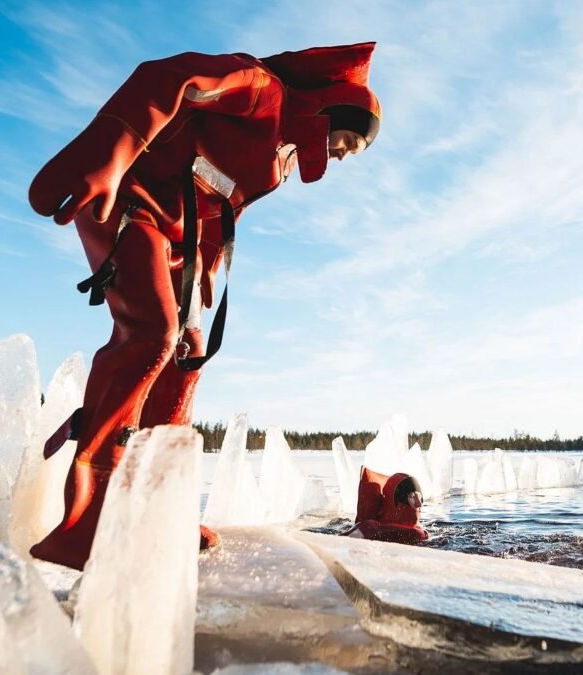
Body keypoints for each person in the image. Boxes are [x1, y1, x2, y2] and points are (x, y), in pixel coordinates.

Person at [26, 43, 382, 570]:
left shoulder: (279, 158)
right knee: (151, 334)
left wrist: (202, 273)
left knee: (189, 349)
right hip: (123, 198)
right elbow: (170, 79)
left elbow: (218, 206)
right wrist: (110, 153)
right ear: (329, 107)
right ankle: (86, 522)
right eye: (353, 137)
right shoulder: (259, 90)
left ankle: (158, 507)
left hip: (178, 244)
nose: (350, 153)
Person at [346, 467, 428, 544]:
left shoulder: (421, 531)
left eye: (420, 497)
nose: (419, 504)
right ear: (394, 501)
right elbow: (343, 542)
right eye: (412, 497)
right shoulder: (367, 529)